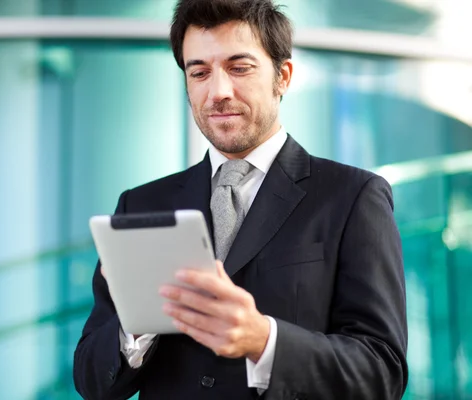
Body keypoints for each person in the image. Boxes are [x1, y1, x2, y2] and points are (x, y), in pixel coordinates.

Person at [73, 0, 408, 398]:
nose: (218, 92)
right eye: (199, 72)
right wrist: (138, 321)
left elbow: (382, 371)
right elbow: (91, 382)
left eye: (239, 67)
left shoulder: (353, 197)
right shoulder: (142, 205)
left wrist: (264, 340)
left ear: (282, 77)